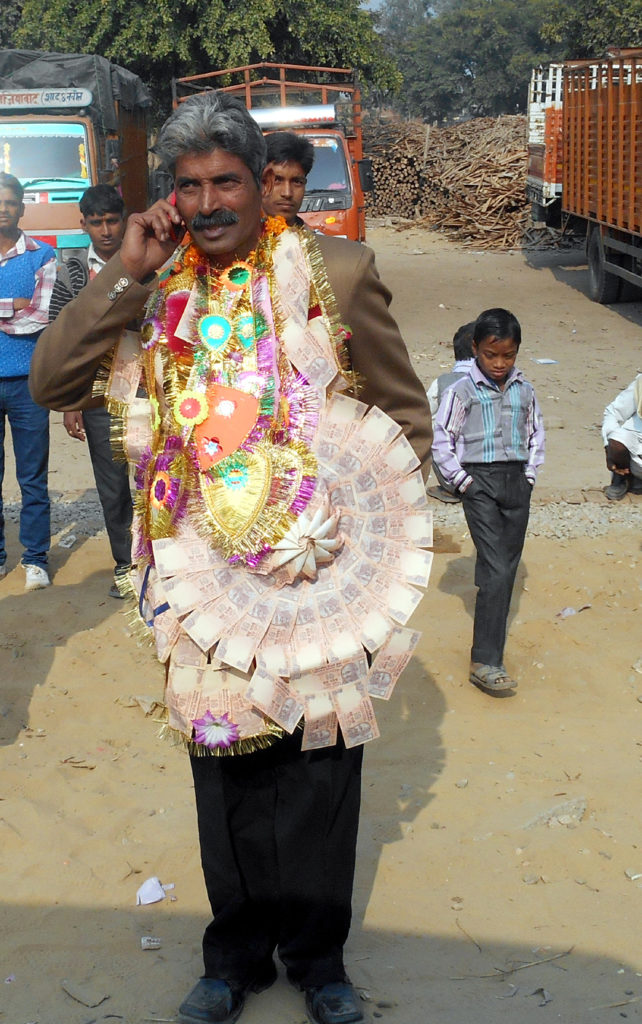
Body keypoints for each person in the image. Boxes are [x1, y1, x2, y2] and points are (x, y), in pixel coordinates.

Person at [30, 93, 432, 1024]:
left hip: (322, 580)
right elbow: (53, 379)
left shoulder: (334, 268)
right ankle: (236, 958)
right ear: (168, 196)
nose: (209, 202)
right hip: (205, 585)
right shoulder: (151, 284)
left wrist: (371, 548)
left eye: (227, 182)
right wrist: (125, 273)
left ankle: (321, 962)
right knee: (229, 773)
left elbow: (402, 415)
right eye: (189, 185)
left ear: (262, 186)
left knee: (321, 772)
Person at [432, 308, 545, 695]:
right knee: (497, 571)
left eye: (508, 355)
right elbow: (442, 439)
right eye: (491, 355)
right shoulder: (461, 391)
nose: (499, 364)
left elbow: (536, 434)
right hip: (479, 483)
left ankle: (489, 629)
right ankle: (486, 661)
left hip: (516, 484)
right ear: (476, 350)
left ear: (517, 352)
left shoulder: (524, 390)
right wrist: (462, 482)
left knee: (504, 569)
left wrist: (529, 476)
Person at [48, 185, 133, 597]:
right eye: (96, 222)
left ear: (124, 220)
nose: (105, 230)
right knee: (113, 485)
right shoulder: (72, 274)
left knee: (162, 477)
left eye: (112, 220)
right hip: (98, 396)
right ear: (83, 225)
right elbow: (63, 341)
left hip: (148, 390)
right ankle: (126, 565)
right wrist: (71, 402)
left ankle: (167, 565)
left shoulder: (145, 262)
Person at [0, 172, 56, 590]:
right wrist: (10, 305)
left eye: (10, 202)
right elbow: (21, 313)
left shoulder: (43, 255)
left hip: (28, 384)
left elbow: (39, 317)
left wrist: (23, 309)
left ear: (22, 207)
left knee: (32, 476)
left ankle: (35, 558)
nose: (3, 209)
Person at [426, 321, 475, 504]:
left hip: (454, 481)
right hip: (496, 480)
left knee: (433, 426)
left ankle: (451, 488)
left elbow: (423, 416)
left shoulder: (442, 383)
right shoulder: (500, 383)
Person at [602, 373, 642, 500]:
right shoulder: (641, 383)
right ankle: (623, 477)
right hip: (637, 452)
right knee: (617, 440)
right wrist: (609, 448)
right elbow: (613, 412)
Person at [262, 131, 314, 226]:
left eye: (297, 182)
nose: (287, 193)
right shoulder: (235, 239)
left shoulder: (317, 240)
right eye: (276, 180)